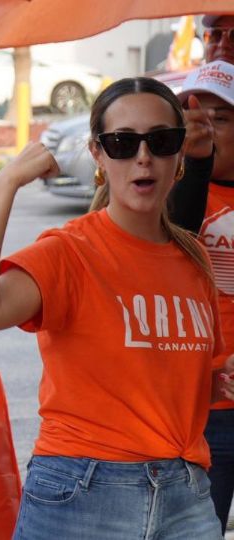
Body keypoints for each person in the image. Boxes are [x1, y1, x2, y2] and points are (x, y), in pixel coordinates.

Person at [0, 77, 228, 538]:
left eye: (161, 141)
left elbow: (187, 383)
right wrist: (5, 184)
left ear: (180, 154)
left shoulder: (193, 258)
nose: (143, 157)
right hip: (83, 492)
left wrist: (222, 380)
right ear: (97, 155)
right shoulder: (70, 250)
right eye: (122, 143)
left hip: (185, 495)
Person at [170, 59, 234, 532]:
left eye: (221, 117)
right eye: (191, 114)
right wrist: (194, 166)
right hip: (201, 409)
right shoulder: (161, 195)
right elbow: (174, 245)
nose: (204, 126)